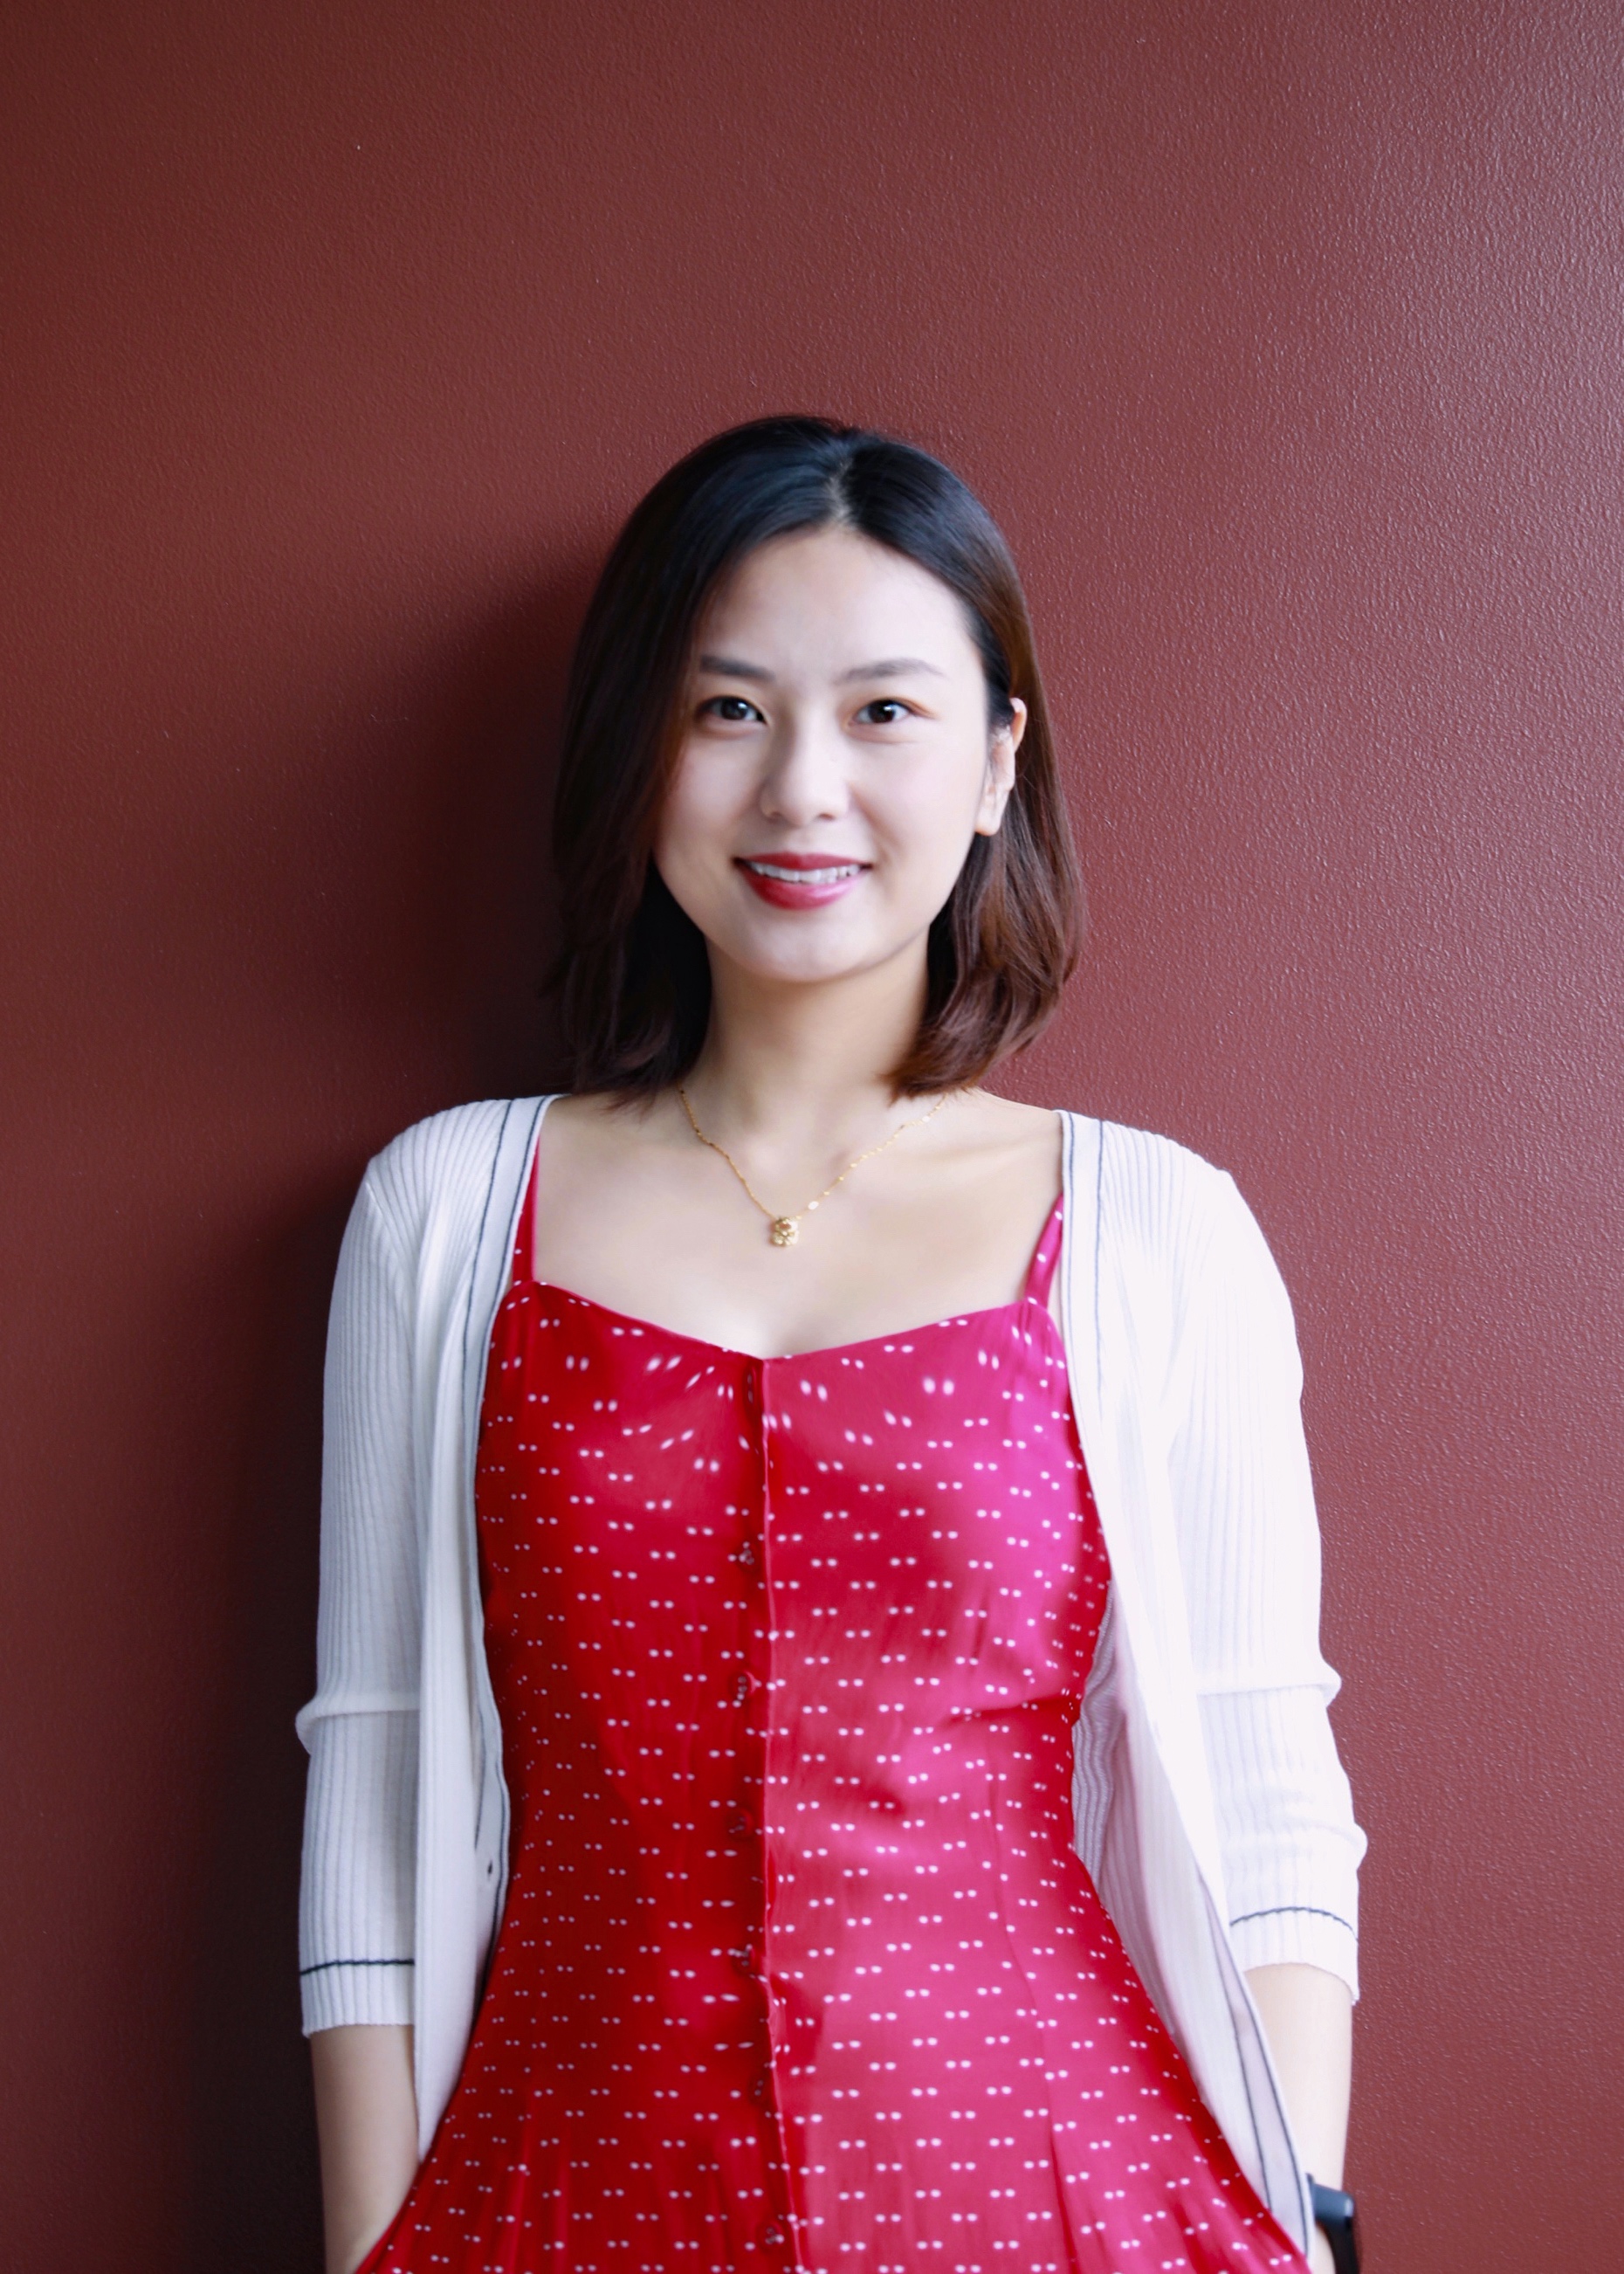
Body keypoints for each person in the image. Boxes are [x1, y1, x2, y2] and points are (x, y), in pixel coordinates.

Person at [297, 417, 1365, 2274]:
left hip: (1062, 2198)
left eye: (884, 713)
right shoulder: (448, 1212)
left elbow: (1266, 1791)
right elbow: (373, 1780)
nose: (804, 789)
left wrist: (1302, 2227)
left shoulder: (1156, 1231)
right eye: (729, 710)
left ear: (996, 761)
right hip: (561, 2198)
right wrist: (375, 2243)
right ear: (640, 752)